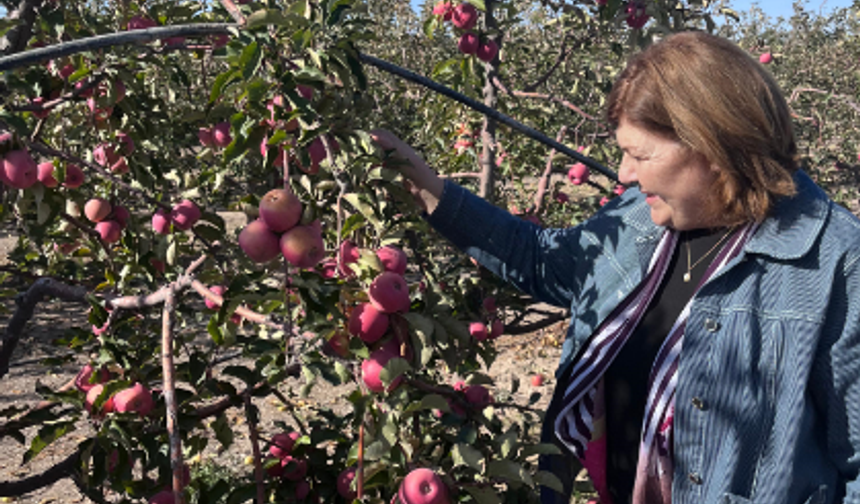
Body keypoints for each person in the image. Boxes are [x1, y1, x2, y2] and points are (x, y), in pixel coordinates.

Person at [371, 30, 860, 504]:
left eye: (638, 154)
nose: (624, 173)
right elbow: (540, 258)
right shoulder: (638, 221)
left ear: (711, 148)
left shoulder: (832, 262)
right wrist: (425, 185)